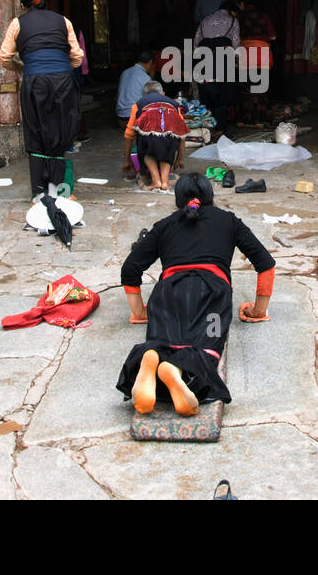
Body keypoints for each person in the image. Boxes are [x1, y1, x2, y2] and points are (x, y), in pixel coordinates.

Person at [117, 173, 275, 416]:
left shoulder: (164, 225)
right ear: (211, 198)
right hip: (212, 298)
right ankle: (176, 372)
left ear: (178, 201)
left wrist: (139, 312)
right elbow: (265, 263)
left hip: (167, 297)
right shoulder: (229, 221)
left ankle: (155, 358)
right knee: (207, 347)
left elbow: (130, 269)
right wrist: (257, 311)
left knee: (162, 342)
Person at [0, 0, 85, 201]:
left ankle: (39, 193)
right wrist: (64, 67)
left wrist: (22, 67)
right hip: (63, 80)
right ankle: (61, 190)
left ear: (23, 6)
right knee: (61, 130)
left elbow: (4, 56)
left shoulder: (18, 23)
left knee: (36, 132)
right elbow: (77, 56)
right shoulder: (63, 21)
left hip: (34, 81)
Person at [124, 81, 189, 191]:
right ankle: (165, 182)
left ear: (143, 95)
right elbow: (182, 133)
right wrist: (180, 158)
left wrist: (127, 160)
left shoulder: (139, 104)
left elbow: (129, 134)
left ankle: (156, 181)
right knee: (168, 151)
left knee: (148, 154)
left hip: (150, 138)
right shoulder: (174, 104)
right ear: (162, 93)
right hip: (170, 138)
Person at [194, 0, 240, 133]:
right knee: (224, 92)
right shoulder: (232, 20)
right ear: (232, 11)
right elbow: (236, 44)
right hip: (223, 58)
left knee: (208, 90)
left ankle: (209, 127)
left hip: (205, 58)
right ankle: (220, 128)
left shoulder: (205, 20)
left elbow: (196, 43)